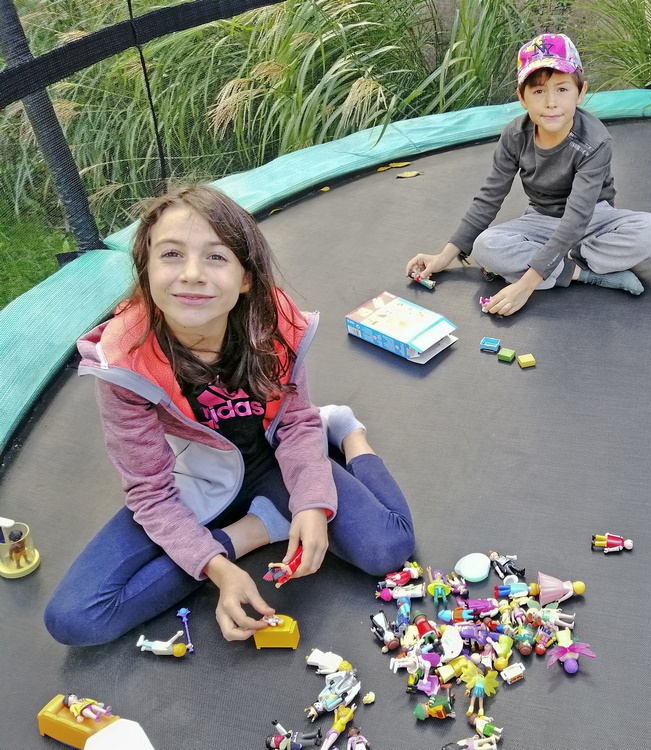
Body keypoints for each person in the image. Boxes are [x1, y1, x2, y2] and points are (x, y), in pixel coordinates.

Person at [44, 185, 415, 646]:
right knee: (75, 618)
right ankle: (258, 529)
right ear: (146, 269)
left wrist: (312, 501)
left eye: (216, 257)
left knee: (389, 547)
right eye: (172, 254)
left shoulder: (273, 324)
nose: (192, 274)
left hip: (274, 458)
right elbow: (150, 492)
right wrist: (219, 567)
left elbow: (296, 422)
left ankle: (343, 428)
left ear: (245, 277)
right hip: (198, 479)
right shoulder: (124, 362)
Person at [405, 33, 651, 316]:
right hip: (540, 221)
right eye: (539, 91)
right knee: (485, 246)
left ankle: (552, 264)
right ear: (522, 97)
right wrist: (445, 256)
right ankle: (584, 273)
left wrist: (526, 285)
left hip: (594, 218)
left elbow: (579, 217)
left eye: (562, 90)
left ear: (581, 93)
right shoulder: (515, 135)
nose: (551, 102)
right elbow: (490, 197)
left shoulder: (595, 141)